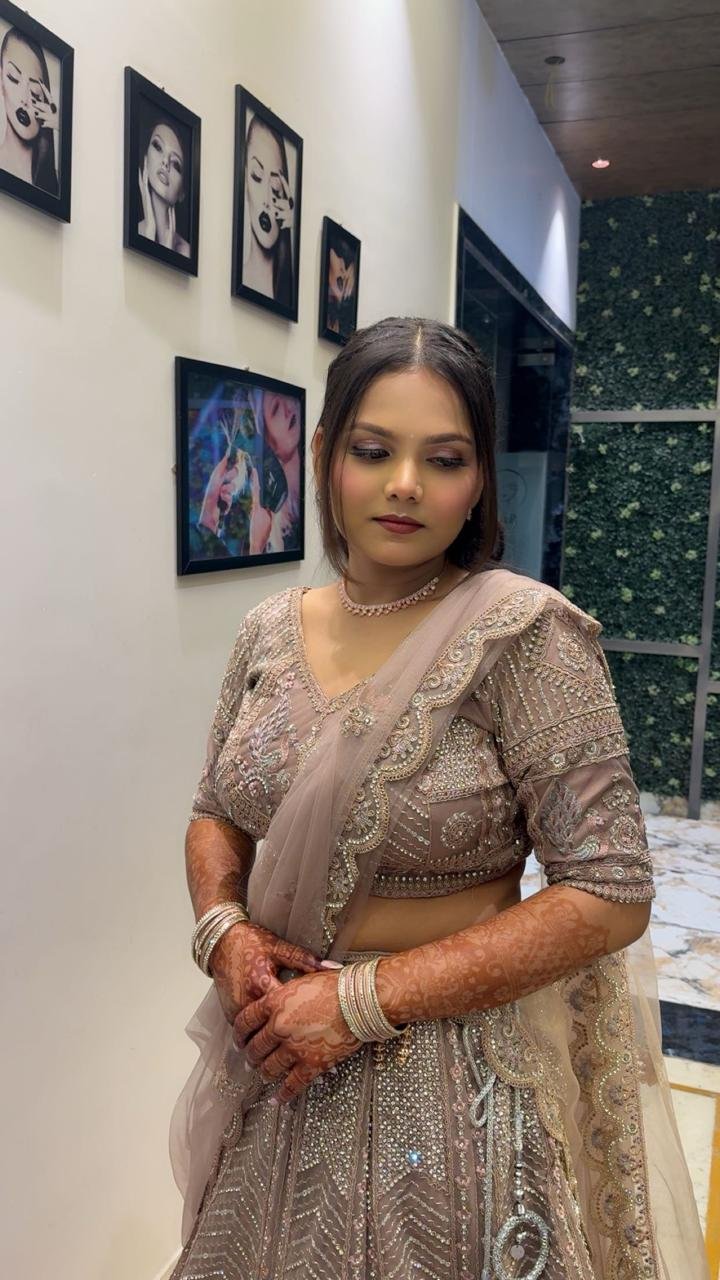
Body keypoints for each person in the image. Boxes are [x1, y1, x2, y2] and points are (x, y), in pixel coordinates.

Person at [169, 317, 708, 1279]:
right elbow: (216, 808)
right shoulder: (267, 630)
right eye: (374, 450)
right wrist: (226, 933)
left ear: (479, 481)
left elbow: (611, 891)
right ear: (325, 457)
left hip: (450, 1088)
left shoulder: (525, 636)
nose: (406, 484)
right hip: (277, 1063)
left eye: (445, 459)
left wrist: (361, 1001)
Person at [242, 111, 294, 305]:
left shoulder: (288, 295)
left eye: (275, 186)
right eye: (256, 176)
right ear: (245, 182)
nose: (266, 200)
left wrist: (289, 233)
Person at [0, 26, 59, 195]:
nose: (24, 99)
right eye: (13, 78)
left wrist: (61, 126)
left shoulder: (56, 184)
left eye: (35, 92)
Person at [138, 116, 190, 258]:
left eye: (176, 164)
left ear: (182, 192)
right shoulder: (130, 231)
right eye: (158, 146)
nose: (165, 162)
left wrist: (167, 251)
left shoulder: (187, 252)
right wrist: (150, 231)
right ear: (145, 158)